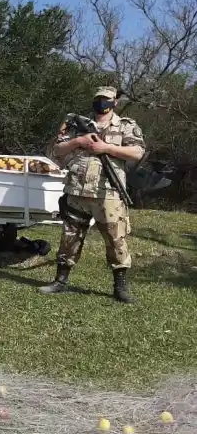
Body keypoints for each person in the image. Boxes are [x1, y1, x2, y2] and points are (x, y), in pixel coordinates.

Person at [39, 86, 145, 303]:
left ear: (115, 102)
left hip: (108, 192)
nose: (101, 103)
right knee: (69, 237)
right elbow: (56, 150)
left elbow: (137, 152)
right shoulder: (77, 124)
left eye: (106, 99)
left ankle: (120, 287)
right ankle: (60, 281)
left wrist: (106, 148)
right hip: (77, 189)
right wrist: (79, 141)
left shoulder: (126, 125)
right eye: (98, 99)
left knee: (116, 240)